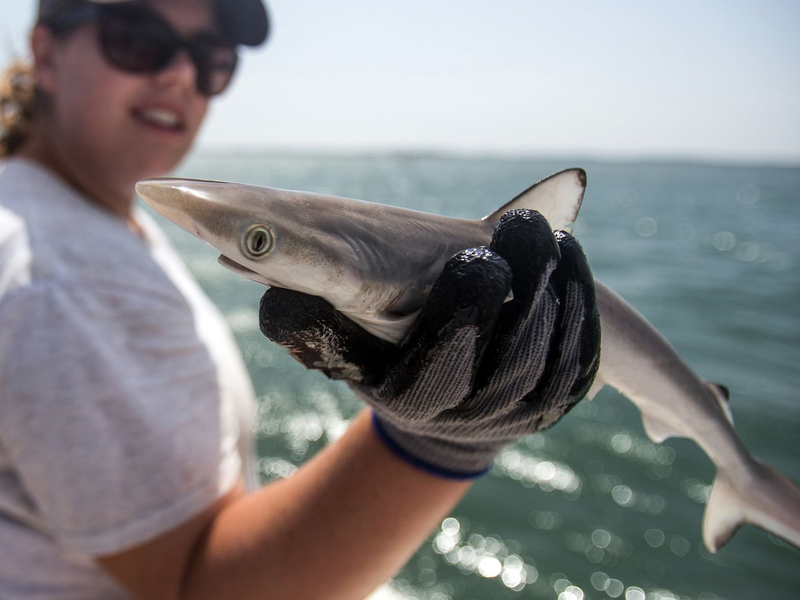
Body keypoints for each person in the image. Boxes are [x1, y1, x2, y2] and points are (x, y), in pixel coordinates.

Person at [0, 0, 601, 598]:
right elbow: (197, 588)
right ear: (47, 54)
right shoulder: (63, 279)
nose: (181, 76)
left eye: (210, 59)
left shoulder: (70, 211)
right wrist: (440, 439)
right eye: (135, 38)